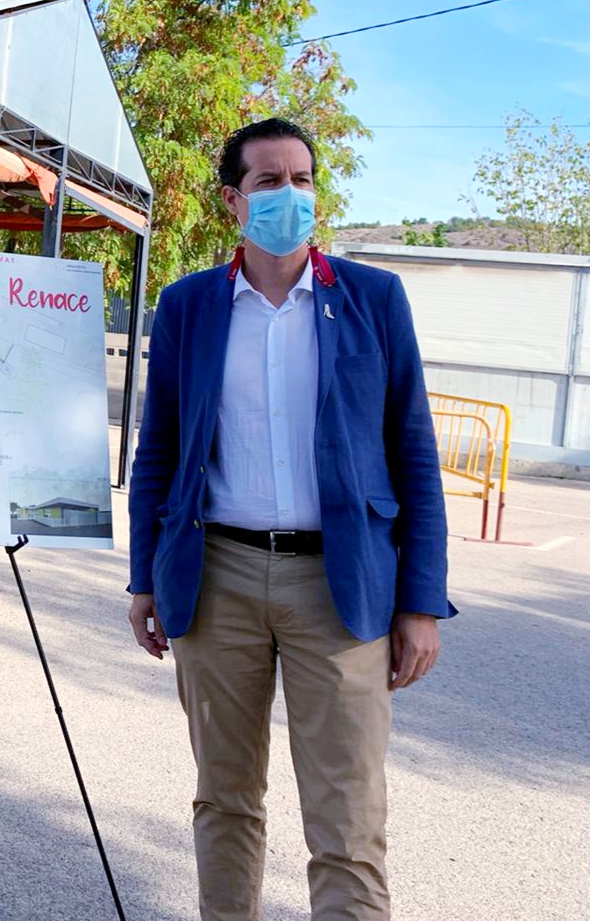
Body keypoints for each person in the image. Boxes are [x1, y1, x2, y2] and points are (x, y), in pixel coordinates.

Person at [126, 116, 452, 921]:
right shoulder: (189, 306)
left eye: (303, 179)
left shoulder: (373, 299)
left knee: (347, 821)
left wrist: (420, 601)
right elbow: (158, 453)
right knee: (225, 800)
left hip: (341, 585)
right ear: (234, 201)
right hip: (217, 579)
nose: (291, 195)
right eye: (270, 182)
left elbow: (414, 450)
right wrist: (144, 578)